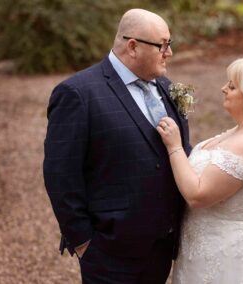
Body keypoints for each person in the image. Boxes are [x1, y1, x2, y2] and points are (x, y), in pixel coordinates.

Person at [43, 9, 192, 283]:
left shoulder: (168, 87)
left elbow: (182, 152)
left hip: (160, 250)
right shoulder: (78, 93)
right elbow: (60, 175)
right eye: (163, 45)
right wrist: (84, 242)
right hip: (109, 254)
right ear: (133, 46)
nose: (169, 53)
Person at [157, 54, 243, 283]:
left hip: (233, 262)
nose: (223, 89)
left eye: (232, 86)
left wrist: (174, 146)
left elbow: (197, 195)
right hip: (211, 252)